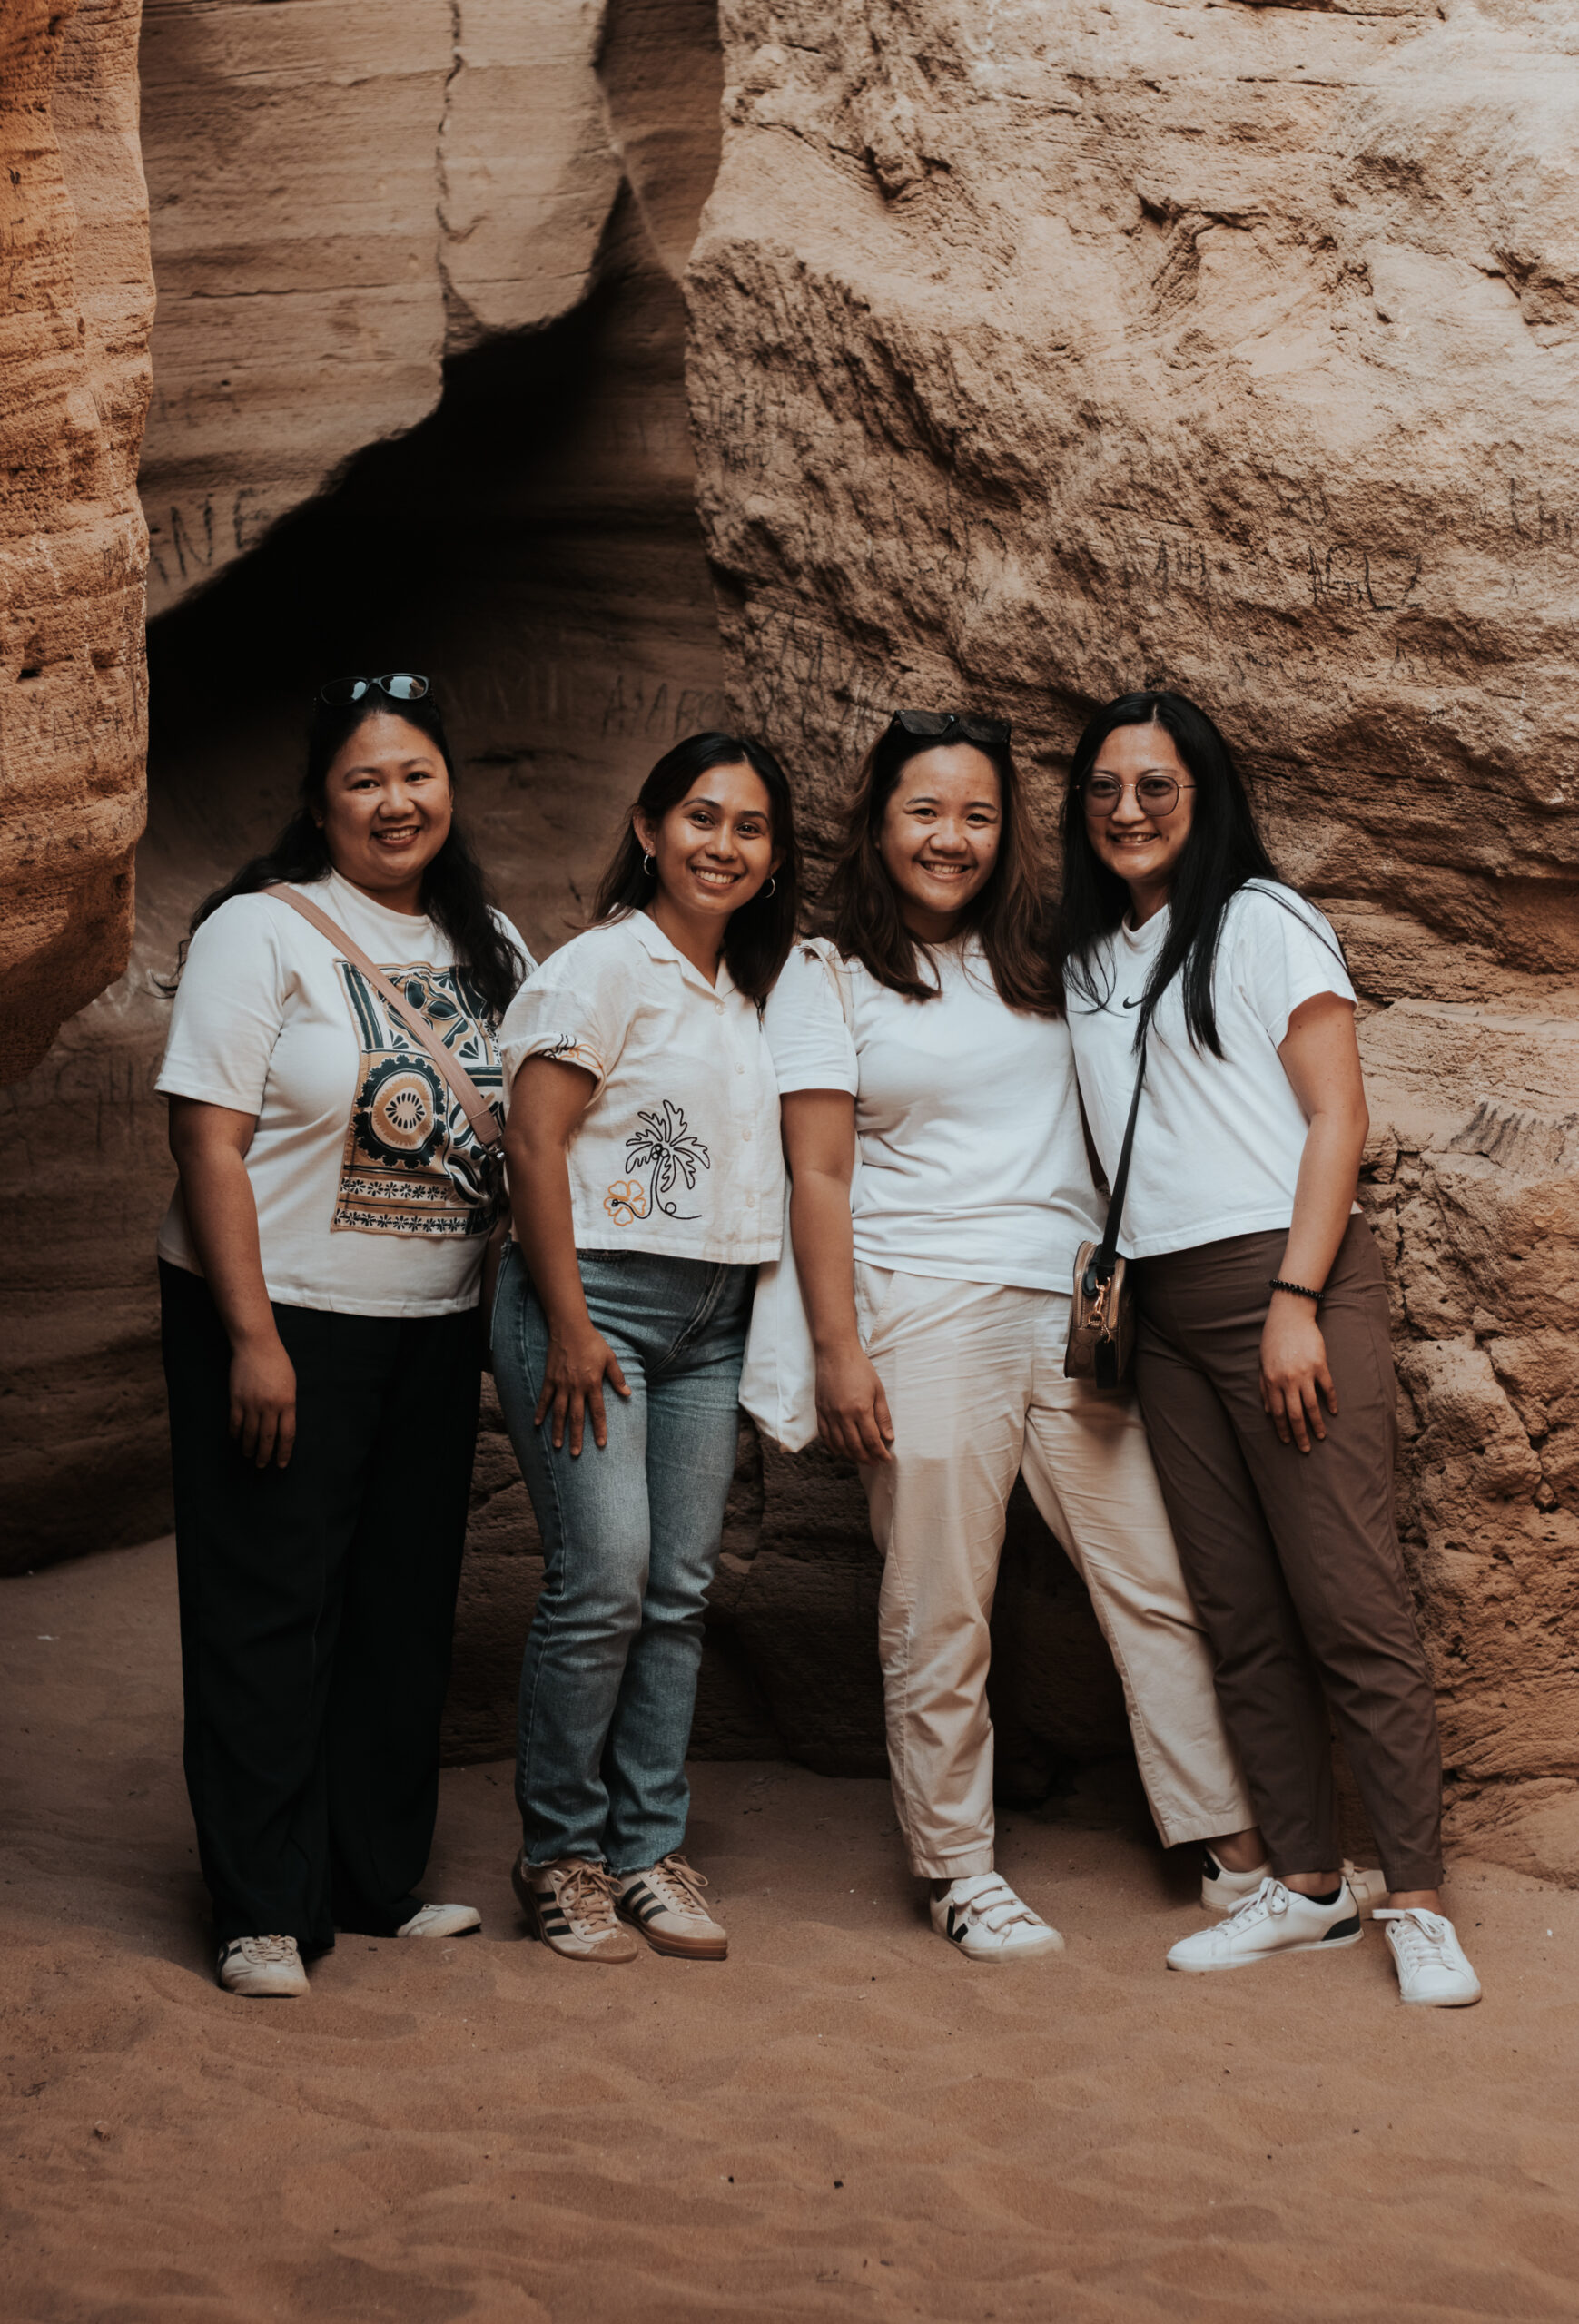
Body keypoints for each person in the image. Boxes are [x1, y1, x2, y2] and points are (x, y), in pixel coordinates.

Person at [761, 709, 1259, 1962]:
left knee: (1153, 1575)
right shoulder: (827, 978)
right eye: (925, 810)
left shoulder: (1050, 956)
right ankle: (956, 1867)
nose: (952, 836)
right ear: (879, 823)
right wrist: (839, 1351)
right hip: (923, 1311)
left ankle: (1227, 1843)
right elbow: (815, 1177)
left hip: (1071, 1314)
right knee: (941, 1603)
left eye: (977, 813)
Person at [1059, 687, 1481, 2006]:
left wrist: (1298, 1298)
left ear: (1206, 795)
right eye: (1107, 789)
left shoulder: (1259, 921)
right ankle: (1306, 1886)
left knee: (1350, 1603)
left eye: (1158, 786)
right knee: (1238, 1616)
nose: (1129, 810)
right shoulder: (1088, 956)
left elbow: (1337, 1118)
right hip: (1163, 1316)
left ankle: (1412, 1898)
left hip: (1279, 1286)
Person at [157, 673, 531, 1998]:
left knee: (399, 1609)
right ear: (322, 801)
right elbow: (207, 1138)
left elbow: (533, 1134)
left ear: (450, 787)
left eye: (417, 774)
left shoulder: (491, 941)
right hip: (281, 1317)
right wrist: (249, 1336)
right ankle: (262, 1905)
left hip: (433, 1324)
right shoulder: (259, 933)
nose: (396, 801)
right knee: (270, 1604)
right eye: (366, 779)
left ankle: (376, 1877)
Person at [493, 731, 799, 1965]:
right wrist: (568, 1324)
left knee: (678, 1590)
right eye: (701, 818)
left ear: (772, 858)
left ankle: (644, 1851)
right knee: (604, 1577)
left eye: (750, 828)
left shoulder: (752, 993)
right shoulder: (599, 971)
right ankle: (560, 1856)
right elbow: (533, 1145)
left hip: (711, 1320)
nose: (722, 844)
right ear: (647, 828)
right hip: (595, 1307)